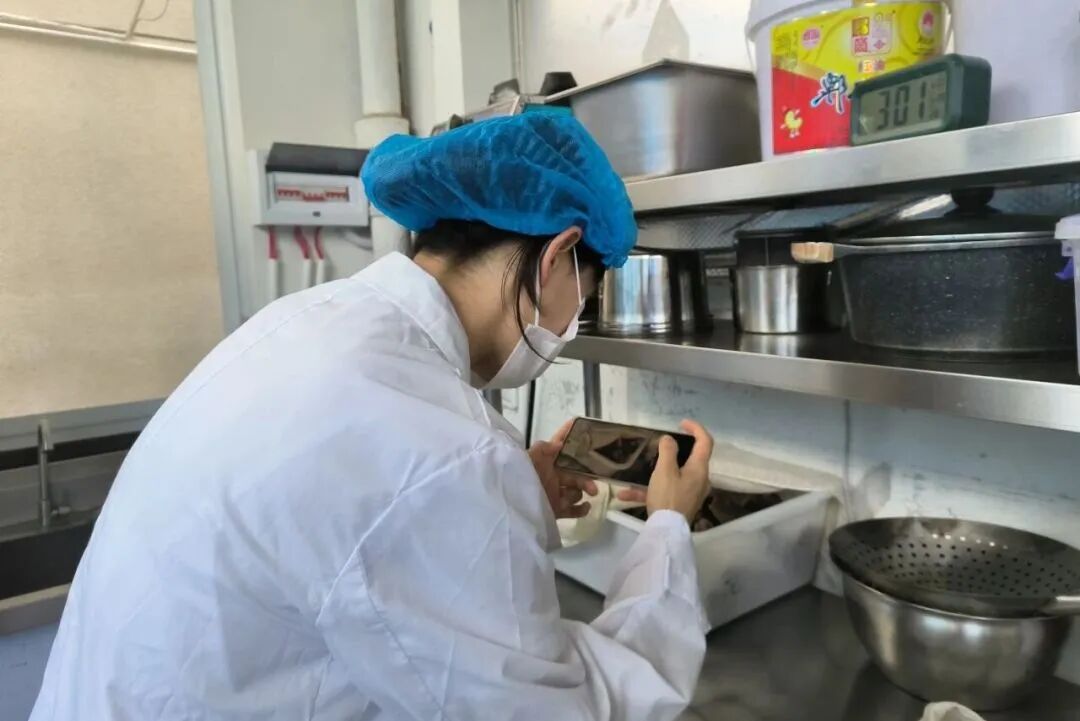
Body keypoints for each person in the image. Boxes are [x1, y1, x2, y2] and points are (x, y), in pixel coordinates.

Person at [30, 113, 714, 721]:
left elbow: (355, 552)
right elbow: (566, 709)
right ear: (557, 256)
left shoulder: (308, 323)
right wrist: (666, 528)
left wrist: (517, 491)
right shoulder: (439, 450)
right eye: (584, 297)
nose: (571, 322)